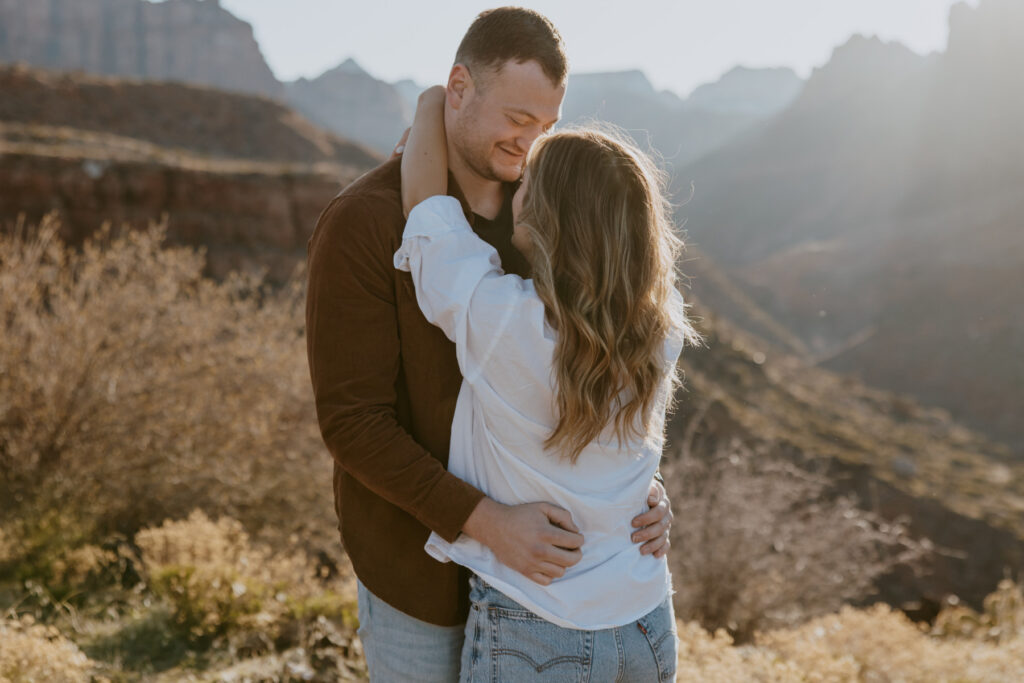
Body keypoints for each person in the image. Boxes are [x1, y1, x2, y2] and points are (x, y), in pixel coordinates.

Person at [305, 7, 676, 681]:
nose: (529, 144)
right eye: (516, 118)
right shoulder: (364, 223)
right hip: (418, 578)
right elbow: (353, 424)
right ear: (460, 88)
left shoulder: (548, 221)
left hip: (548, 596)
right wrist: (486, 521)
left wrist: (636, 491)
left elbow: (600, 365)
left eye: (546, 126)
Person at [396, 84, 700, 682]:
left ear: (546, 218)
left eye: (526, 185)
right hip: (645, 618)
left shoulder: (501, 319)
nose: (514, 190)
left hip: (536, 621)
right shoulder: (661, 330)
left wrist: (438, 98)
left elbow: (426, 210)